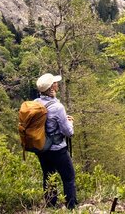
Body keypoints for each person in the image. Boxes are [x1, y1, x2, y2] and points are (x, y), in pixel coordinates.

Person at [34, 73, 77, 209]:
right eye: (55, 83)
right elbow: (68, 132)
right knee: (68, 177)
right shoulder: (58, 107)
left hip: (42, 148)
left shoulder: (36, 103)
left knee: (49, 177)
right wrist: (70, 122)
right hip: (58, 149)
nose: (57, 84)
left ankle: (50, 206)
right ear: (51, 88)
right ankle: (71, 207)